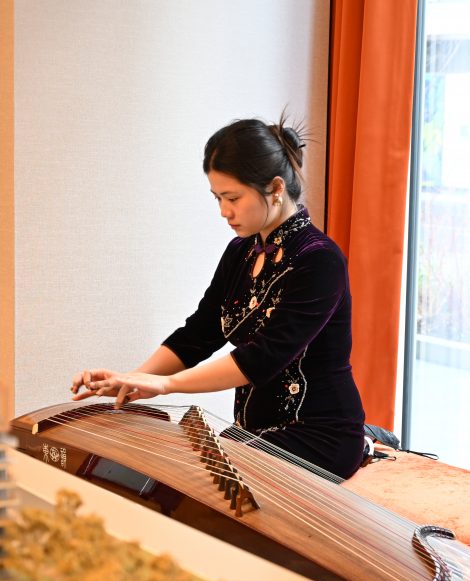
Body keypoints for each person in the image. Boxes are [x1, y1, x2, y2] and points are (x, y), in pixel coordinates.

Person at [70, 115, 367, 479]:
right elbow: (200, 333)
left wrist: (165, 386)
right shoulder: (240, 252)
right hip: (253, 432)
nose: (224, 211)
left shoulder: (319, 260)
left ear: (275, 188)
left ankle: (367, 442)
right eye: (218, 198)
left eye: (233, 198)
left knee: (197, 484)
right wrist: (133, 379)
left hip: (320, 434)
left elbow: (263, 358)